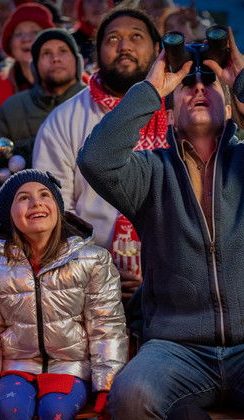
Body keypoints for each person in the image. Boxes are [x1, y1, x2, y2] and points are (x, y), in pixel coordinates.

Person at [77, 27, 244, 420]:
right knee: (131, 395)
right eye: (185, 85)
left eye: (209, 83)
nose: (197, 88)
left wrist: (243, 75)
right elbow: (96, 160)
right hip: (178, 348)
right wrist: (150, 89)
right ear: (171, 109)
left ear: (231, 107)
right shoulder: (150, 174)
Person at [0, 169, 128, 420]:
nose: (36, 203)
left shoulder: (93, 260)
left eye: (45, 195)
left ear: (58, 208)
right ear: (9, 215)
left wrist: (106, 384)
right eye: (23, 198)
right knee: (9, 408)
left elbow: (106, 326)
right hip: (16, 367)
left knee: (57, 411)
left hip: (70, 366)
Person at [33, 7, 166, 298]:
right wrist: (96, 268)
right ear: (97, 52)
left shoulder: (181, 114)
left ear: (158, 49)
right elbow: (54, 209)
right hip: (88, 282)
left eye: (136, 36)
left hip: (175, 279)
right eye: (113, 39)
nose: (125, 46)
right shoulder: (64, 119)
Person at [0, 28, 85, 165]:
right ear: (34, 67)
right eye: (46, 53)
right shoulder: (11, 109)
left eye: (63, 51)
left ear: (77, 62)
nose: (56, 59)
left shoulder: (96, 103)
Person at [0, 3, 54, 141]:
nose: (26, 38)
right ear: (10, 44)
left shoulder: (77, 82)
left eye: (35, 32)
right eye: (18, 34)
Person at [70, 0, 112, 69]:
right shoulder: (72, 41)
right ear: (81, 8)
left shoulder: (118, 37)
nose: (95, 5)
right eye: (89, 0)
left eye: (100, 1)